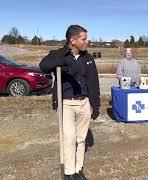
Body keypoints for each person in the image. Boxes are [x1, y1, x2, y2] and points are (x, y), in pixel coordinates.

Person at [39, 25, 100, 180]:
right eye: (84, 38)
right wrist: (64, 60)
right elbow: (43, 66)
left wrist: (96, 104)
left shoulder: (88, 58)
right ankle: (69, 172)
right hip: (66, 103)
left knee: (81, 139)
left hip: (84, 103)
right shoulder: (58, 54)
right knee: (69, 138)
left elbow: (94, 82)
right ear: (73, 40)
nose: (87, 41)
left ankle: (78, 170)